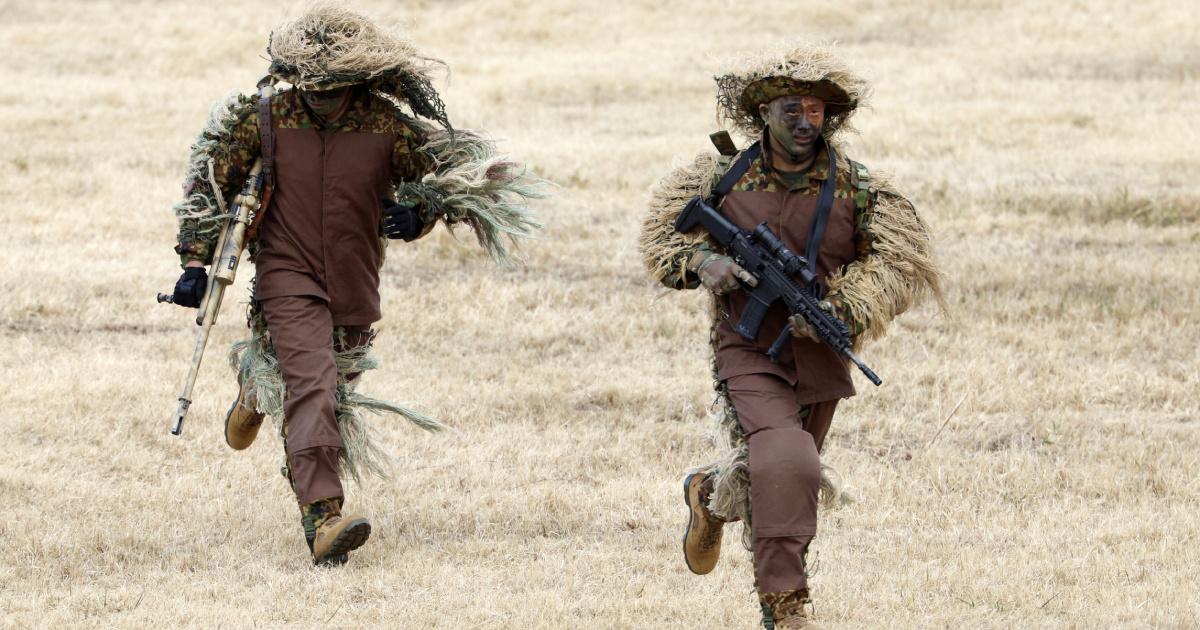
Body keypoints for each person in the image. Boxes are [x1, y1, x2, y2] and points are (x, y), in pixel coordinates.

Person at [168, 0, 544, 565]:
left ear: (355, 77)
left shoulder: (386, 124)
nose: (317, 95)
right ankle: (324, 518)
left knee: (332, 393)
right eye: (308, 83)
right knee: (314, 388)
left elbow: (447, 173)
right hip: (286, 274)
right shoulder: (265, 117)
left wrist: (422, 211)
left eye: (331, 85)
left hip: (354, 281)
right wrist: (194, 264)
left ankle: (256, 381)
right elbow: (210, 186)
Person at [638, 40, 946, 628]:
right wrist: (706, 264)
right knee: (791, 464)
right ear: (764, 113)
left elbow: (901, 266)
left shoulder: (858, 187)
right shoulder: (720, 175)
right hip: (747, 344)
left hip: (821, 354)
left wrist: (844, 306)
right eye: (791, 111)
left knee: (784, 477)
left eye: (816, 111)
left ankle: (710, 493)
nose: (806, 123)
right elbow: (661, 238)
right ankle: (786, 608)